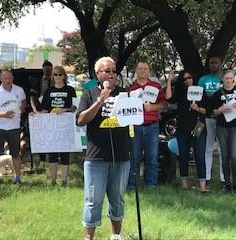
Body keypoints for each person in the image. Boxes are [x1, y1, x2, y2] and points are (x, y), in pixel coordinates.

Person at [76, 57, 130, 240]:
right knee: (93, 201)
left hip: (121, 156)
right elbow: (81, 120)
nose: (111, 74)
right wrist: (100, 101)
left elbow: (133, 118)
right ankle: (89, 237)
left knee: (117, 199)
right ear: (98, 74)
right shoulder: (89, 94)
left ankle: (116, 235)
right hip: (96, 157)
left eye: (114, 70)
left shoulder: (125, 94)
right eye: (107, 71)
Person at [165, 70, 208, 192]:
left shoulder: (200, 92)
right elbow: (168, 98)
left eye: (189, 77)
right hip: (183, 129)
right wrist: (169, 80)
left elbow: (208, 110)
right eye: (184, 79)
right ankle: (184, 184)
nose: (188, 80)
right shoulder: (180, 93)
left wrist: (198, 108)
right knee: (183, 157)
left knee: (200, 157)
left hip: (199, 127)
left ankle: (203, 187)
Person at [127, 59, 165, 188]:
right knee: (134, 156)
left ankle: (151, 184)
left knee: (152, 156)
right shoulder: (130, 88)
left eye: (145, 69)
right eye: (140, 69)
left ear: (148, 71)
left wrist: (153, 108)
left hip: (152, 126)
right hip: (136, 126)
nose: (142, 71)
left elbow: (164, 104)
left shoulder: (155, 87)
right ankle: (132, 184)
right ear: (136, 71)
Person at [0, 69, 26, 184]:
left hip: (14, 127)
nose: (8, 80)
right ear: (1, 79)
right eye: (5, 78)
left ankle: (17, 177)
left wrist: (22, 107)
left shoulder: (19, 90)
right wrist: (3, 114)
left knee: (15, 154)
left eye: (10, 78)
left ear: (13, 78)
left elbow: (23, 100)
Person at [212, 70, 236, 193]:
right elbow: (213, 112)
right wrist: (220, 110)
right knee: (225, 156)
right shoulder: (218, 94)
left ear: (234, 79)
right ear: (222, 80)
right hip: (222, 127)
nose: (228, 80)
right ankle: (227, 184)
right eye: (226, 78)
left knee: (234, 156)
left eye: (230, 78)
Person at [41, 65, 77, 186]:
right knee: (52, 153)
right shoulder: (48, 91)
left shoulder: (70, 90)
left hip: (65, 126)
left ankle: (64, 181)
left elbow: (74, 107)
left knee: (65, 153)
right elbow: (44, 109)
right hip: (52, 126)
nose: (57, 77)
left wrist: (64, 110)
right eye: (55, 74)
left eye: (60, 74)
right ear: (52, 76)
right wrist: (36, 115)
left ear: (64, 76)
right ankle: (53, 180)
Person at [198, 56, 225, 187]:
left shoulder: (224, 79)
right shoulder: (203, 80)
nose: (213, 65)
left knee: (221, 149)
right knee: (208, 148)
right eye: (211, 63)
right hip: (207, 117)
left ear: (221, 63)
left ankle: (223, 179)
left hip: (222, 118)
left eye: (216, 62)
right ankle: (207, 177)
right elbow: (198, 98)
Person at [30, 60, 53, 166]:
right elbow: (32, 97)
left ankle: (54, 156)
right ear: (43, 69)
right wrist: (35, 110)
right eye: (46, 69)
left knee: (53, 133)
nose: (47, 71)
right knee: (41, 135)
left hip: (54, 111)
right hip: (40, 110)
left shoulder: (56, 80)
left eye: (49, 69)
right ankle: (42, 158)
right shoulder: (37, 81)